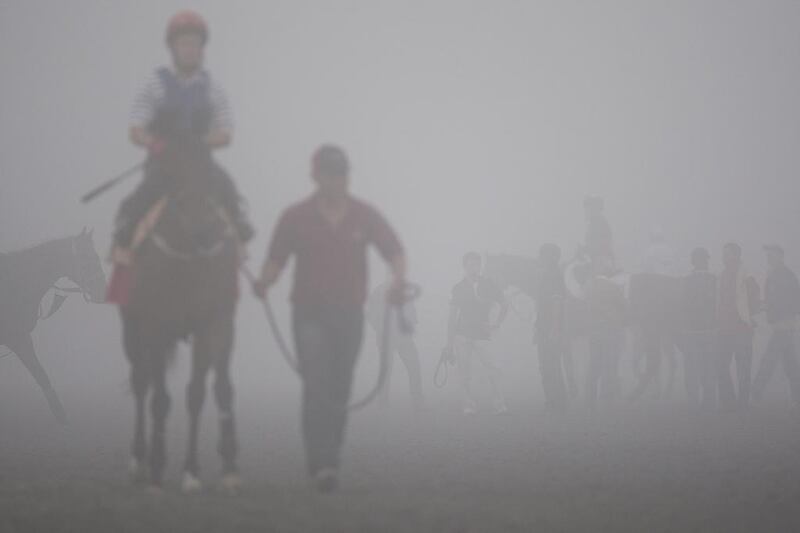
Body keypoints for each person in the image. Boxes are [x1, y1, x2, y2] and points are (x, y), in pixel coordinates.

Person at [253, 145, 406, 492]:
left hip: (350, 313)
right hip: (308, 313)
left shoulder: (365, 216)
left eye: (343, 175)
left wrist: (398, 281)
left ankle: (330, 455)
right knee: (317, 381)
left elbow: (394, 251)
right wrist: (265, 281)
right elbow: (276, 258)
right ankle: (321, 462)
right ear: (316, 176)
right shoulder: (295, 217)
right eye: (331, 175)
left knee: (339, 384)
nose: (339, 181)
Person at [113, 11, 253, 251]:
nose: (191, 49)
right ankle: (124, 243)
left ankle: (240, 231)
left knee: (229, 191)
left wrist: (199, 142)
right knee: (138, 201)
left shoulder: (213, 88)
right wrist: (155, 143)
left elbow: (226, 132)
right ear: (173, 48)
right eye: (185, 44)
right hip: (163, 164)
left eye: (196, 44)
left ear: (202, 49)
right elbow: (136, 129)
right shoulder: (155, 83)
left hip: (201, 164)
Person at [443, 252, 509, 416]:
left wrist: (497, 324)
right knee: (464, 371)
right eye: (471, 264)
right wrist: (449, 344)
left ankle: (499, 403)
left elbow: (504, 303)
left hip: (483, 335)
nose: (475, 268)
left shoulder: (488, 284)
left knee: (493, 368)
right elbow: (452, 317)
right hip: (463, 335)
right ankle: (468, 404)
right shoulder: (458, 288)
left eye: (477, 264)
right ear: (464, 266)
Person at [366, 276, 425, 410]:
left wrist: (411, 325)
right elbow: (370, 313)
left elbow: (411, 310)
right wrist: (379, 328)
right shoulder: (378, 291)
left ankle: (417, 400)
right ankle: (383, 401)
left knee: (414, 366)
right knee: (387, 370)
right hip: (385, 337)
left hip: (403, 336)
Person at [751, 245, 800, 405]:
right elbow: (777, 299)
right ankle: (796, 396)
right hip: (783, 326)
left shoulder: (784, 275)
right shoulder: (777, 274)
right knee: (789, 364)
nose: (768, 258)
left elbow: (791, 300)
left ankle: (756, 392)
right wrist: (765, 306)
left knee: (769, 361)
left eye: (771, 255)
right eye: (767, 256)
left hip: (783, 326)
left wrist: (773, 309)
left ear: (780, 256)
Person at [716, 242, 760, 411]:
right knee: (721, 365)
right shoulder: (723, 274)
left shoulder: (746, 274)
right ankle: (731, 402)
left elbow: (755, 295)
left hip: (741, 328)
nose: (724, 257)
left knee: (743, 369)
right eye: (723, 253)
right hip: (725, 329)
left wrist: (748, 316)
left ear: (736, 255)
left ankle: (741, 405)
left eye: (727, 253)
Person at [583, 254, 626, 410]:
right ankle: (606, 398)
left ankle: (589, 399)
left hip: (594, 330)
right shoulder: (614, 287)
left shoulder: (589, 286)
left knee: (594, 364)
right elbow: (623, 306)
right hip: (611, 329)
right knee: (610, 364)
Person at [681, 247, 718, 409]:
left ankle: (693, 401)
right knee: (708, 366)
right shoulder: (714, 280)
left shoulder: (686, 281)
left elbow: (680, 305)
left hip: (690, 331)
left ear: (693, 262)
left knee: (691, 368)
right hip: (710, 330)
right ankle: (709, 400)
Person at [534, 243, 569, 413]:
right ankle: (555, 401)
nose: (539, 258)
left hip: (549, 328)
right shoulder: (550, 276)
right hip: (545, 327)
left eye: (542, 255)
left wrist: (554, 328)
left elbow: (556, 303)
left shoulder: (553, 277)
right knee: (549, 365)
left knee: (550, 365)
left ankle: (555, 401)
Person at [583, 195, 614, 266]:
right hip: (597, 260)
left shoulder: (599, 223)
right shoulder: (594, 223)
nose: (586, 212)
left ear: (594, 209)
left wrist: (586, 250)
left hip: (600, 262)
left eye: (588, 209)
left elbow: (600, 245)